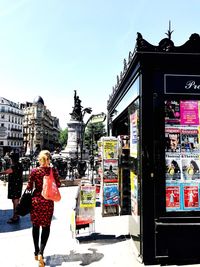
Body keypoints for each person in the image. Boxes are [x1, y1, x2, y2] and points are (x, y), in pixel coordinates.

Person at [25, 150, 61, 267]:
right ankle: (41, 252)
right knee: (46, 227)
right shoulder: (52, 170)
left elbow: (29, 186)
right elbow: (58, 184)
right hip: (48, 201)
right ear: (49, 159)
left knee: (35, 226)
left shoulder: (34, 171)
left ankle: (36, 252)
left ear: (40, 159)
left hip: (36, 201)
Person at [0, 152, 23, 223]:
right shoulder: (19, 164)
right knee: (15, 200)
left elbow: (8, 171)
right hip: (17, 184)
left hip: (15, 185)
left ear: (12, 159)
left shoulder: (15, 166)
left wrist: (0, 173)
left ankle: (15, 217)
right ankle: (16, 215)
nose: (9, 159)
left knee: (15, 201)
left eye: (10, 158)